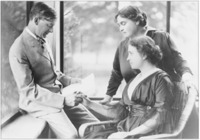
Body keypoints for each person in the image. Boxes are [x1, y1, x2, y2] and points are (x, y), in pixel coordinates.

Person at [9, 2, 98, 138]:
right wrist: (63, 100)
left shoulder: (42, 40)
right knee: (72, 136)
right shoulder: (18, 49)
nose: (51, 31)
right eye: (49, 26)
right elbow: (28, 90)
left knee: (95, 125)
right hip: (39, 103)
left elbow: (53, 72)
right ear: (36, 20)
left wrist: (75, 81)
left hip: (59, 96)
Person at [78, 36, 175, 138]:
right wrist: (88, 103)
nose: (128, 58)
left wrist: (129, 134)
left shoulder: (161, 79)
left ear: (144, 54)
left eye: (131, 53)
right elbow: (119, 112)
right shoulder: (135, 79)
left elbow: (161, 117)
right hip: (126, 128)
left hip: (146, 134)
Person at [100, 5, 194, 104]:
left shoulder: (161, 37)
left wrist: (186, 75)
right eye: (119, 25)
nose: (121, 28)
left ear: (136, 20)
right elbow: (116, 73)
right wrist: (108, 97)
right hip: (140, 103)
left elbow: (178, 60)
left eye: (123, 23)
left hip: (167, 101)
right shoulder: (122, 46)